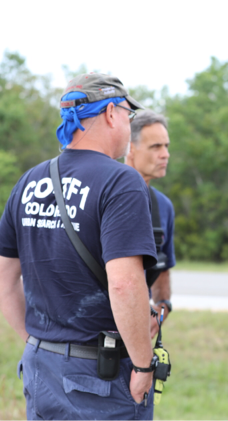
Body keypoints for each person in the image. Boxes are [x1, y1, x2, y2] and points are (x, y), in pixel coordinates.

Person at [0, 73, 158, 420]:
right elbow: (124, 283)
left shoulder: (29, 181)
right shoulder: (120, 180)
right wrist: (144, 366)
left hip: (40, 365)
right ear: (111, 113)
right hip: (98, 378)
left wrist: (44, 342)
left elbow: (4, 281)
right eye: (128, 117)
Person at [125, 110, 176, 334]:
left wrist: (163, 309)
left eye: (166, 146)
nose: (165, 154)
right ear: (130, 148)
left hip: (137, 333)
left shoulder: (163, 207)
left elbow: (162, 269)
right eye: (156, 147)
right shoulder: (99, 195)